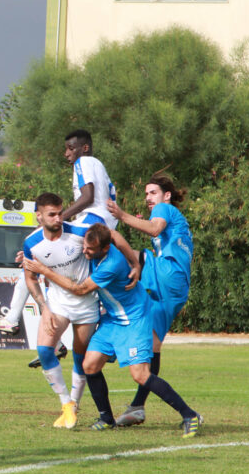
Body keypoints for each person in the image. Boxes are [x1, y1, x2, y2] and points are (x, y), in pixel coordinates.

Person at [31, 223, 202, 437]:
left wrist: (44, 271)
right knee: (90, 365)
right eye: (85, 246)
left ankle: (189, 415)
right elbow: (114, 234)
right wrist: (134, 262)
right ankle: (106, 418)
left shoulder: (111, 264)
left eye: (90, 250)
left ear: (104, 249)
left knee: (140, 375)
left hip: (134, 319)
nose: (85, 251)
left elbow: (80, 289)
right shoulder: (97, 241)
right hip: (113, 319)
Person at [107, 174, 194, 427]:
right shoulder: (165, 213)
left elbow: (155, 228)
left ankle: (109, 340)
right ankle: (137, 406)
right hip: (172, 286)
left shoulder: (165, 209)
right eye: (146, 194)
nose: (148, 198)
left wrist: (121, 216)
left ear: (166, 196)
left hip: (168, 274)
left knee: (116, 254)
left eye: (152, 192)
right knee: (152, 345)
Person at [20, 192, 100, 429]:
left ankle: (73, 405)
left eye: (60, 213)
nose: (58, 218)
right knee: (44, 350)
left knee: (79, 357)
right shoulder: (31, 243)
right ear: (39, 216)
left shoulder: (79, 233)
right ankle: (66, 404)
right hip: (57, 303)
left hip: (86, 303)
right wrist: (44, 308)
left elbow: (106, 245)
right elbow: (30, 277)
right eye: (52, 214)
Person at [61, 129, 118, 228]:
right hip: (107, 222)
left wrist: (59, 218)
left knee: (42, 233)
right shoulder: (98, 164)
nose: (66, 154)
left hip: (92, 219)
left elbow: (87, 197)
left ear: (85, 148)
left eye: (71, 148)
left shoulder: (82, 161)